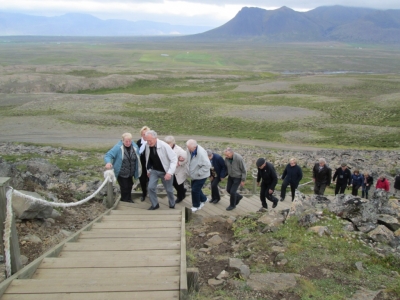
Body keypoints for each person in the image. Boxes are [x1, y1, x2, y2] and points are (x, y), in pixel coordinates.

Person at [145, 130, 177, 210]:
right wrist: (148, 170)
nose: (149, 142)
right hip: (154, 170)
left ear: (155, 138)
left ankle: (172, 203)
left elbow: (174, 159)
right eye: (147, 140)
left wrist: (169, 173)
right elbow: (148, 159)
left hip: (165, 171)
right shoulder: (147, 145)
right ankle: (155, 204)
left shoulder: (164, 146)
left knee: (169, 190)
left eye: (150, 140)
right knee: (150, 187)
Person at [104, 132, 141, 203]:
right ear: (122, 140)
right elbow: (108, 155)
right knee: (124, 186)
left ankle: (128, 198)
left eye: (129, 141)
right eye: (126, 141)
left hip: (130, 172)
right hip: (121, 171)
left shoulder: (135, 147)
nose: (128, 142)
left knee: (130, 185)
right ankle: (125, 201)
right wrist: (108, 162)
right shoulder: (118, 147)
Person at [186, 139, 211, 212]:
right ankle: (204, 199)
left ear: (194, 147)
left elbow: (207, 165)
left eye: (189, 148)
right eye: (187, 147)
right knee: (196, 188)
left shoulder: (201, 153)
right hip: (194, 174)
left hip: (201, 175)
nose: (188, 149)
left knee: (194, 190)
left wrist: (198, 172)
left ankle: (196, 205)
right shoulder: (190, 149)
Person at [164, 135, 188, 204]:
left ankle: (180, 197)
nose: (167, 145)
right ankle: (183, 191)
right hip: (170, 170)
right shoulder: (165, 148)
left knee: (178, 184)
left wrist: (179, 163)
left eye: (169, 143)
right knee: (174, 183)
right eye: (166, 143)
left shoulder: (179, 150)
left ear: (173, 143)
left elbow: (186, 158)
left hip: (178, 171)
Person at [136, 126, 150, 202]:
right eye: (143, 134)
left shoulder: (151, 141)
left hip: (150, 165)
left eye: (146, 134)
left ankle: (151, 194)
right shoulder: (138, 142)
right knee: (142, 180)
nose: (144, 135)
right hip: (141, 165)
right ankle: (144, 193)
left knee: (151, 180)